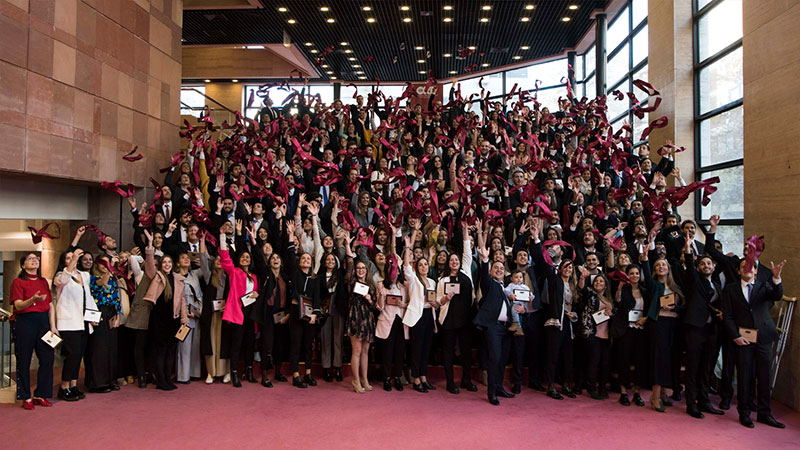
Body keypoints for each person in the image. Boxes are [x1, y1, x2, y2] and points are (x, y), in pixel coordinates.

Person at [722, 257, 786, 429]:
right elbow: (727, 315)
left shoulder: (764, 286)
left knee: (764, 377)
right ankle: (744, 413)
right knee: (744, 376)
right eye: (744, 266)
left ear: (756, 271)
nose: (748, 269)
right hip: (743, 340)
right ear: (739, 270)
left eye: (751, 267)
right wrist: (735, 336)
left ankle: (765, 413)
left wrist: (776, 278)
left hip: (764, 337)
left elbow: (777, 295)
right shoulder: (730, 289)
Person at [681, 240, 725, 419]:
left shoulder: (717, 285)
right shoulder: (695, 281)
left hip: (711, 329)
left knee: (707, 367)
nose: (706, 266)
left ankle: (704, 400)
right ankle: (691, 404)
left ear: (713, 267)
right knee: (693, 367)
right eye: (702, 264)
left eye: (709, 263)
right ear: (698, 268)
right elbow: (689, 266)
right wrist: (688, 248)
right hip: (695, 328)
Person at [10, 252, 56, 410]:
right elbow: (18, 306)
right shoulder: (18, 282)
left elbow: (50, 305)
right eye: (30, 259)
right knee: (24, 359)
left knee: (47, 358)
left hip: (43, 322)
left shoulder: (44, 282)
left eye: (36, 259)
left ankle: (41, 394)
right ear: (23, 265)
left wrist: (53, 326)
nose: (34, 261)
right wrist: (33, 300)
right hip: (25, 322)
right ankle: (25, 396)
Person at [473, 233, 515, 406]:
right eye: (495, 267)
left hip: (506, 328)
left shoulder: (506, 289)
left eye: (501, 268)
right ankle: (491, 393)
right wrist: (485, 259)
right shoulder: (489, 284)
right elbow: (483, 276)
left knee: (502, 360)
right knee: (495, 358)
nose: (499, 269)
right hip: (493, 328)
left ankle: (498, 387)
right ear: (491, 271)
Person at [436, 224, 477, 394]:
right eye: (452, 260)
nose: (454, 262)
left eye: (457, 260)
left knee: (466, 351)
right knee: (449, 352)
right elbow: (437, 301)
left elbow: (467, 252)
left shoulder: (466, 271)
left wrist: (466, 232)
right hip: (449, 319)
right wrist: (445, 298)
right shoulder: (442, 280)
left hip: (466, 318)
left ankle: (466, 380)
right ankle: (450, 382)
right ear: (448, 262)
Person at [53, 248, 96, 401]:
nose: (73, 259)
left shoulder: (84, 275)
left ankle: (73, 385)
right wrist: (71, 263)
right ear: (63, 262)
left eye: (74, 257)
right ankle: (64, 387)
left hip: (82, 320)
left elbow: (88, 296)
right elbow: (63, 280)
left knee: (79, 355)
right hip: (68, 321)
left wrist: (94, 315)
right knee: (72, 355)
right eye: (68, 258)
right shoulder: (61, 275)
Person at [402, 224, 438, 393]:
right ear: (417, 267)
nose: (424, 267)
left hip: (428, 316)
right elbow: (406, 266)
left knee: (426, 348)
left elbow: (434, 302)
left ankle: (424, 376)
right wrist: (410, 243)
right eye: (421, 265)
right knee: (416, 349)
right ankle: (416, 378)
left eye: (426, 264)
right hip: (417, 316)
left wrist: (436, 306)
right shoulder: (413, 279)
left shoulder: (432, 282)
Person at [610, 264, 648, 407]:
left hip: (640, 329)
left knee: (640, 361)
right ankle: (623, 392)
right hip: (625, 329)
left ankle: (637, 393)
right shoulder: (623, 289)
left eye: (637, 273)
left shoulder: (645, 291)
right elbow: (617, 301)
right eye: (631, 273)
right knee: (623, 360)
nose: (634, 276)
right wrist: (620, 286)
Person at [85, 255, 122, 393]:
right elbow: (102, 282)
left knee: (111, 349)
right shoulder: (93, 278)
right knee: (99, 348)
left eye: (107, 263)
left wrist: (118, 315)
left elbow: (115, 297)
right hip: (99, 313)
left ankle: (110, 380)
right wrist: (110, 268)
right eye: (103, 263)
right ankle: (97, 383)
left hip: (111, 313)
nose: (105, 265)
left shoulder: (113, 279)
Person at [344, 252, 378, 393]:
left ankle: (365, 379)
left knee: (365, 351)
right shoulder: (352, 282)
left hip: (367, 319)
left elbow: (375, 305)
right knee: (356, 351)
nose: (360, 270)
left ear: (367, 270)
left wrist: (370, 299)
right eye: (358, 268)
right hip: (355, 319)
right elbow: (349, 269)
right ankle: (356, 380)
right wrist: (348, 248)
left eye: (363, 268)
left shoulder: (370, 285)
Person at [504, 270, 531, 337]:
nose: (519, 279)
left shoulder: (525, 286)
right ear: (511, 279)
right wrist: (510, 295)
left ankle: (515, 323)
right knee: (515, 309)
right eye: (516, 277)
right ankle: (518, 328)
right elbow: (505, 291)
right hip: (515, 302)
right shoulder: (511, 285)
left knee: (515, 310)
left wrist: (531, 297)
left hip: (523, 304)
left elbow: (531, 294)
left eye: (520, 277)